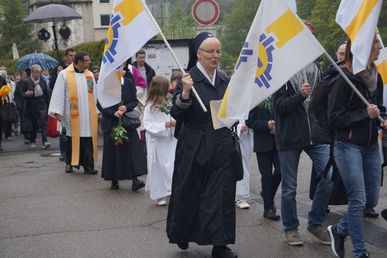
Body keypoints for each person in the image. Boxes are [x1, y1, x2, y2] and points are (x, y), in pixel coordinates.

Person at [166, 32, 238, 258]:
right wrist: (185, 92)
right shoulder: (189, 79)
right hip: (195, 144)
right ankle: (182, 232)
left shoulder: (224, 79)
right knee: (191, 191)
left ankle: (220, 244)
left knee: (222, 193)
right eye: (211, 52)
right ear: (199, 54)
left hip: (221, 142)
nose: (215, 56)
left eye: (218, 51)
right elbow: (177, 113)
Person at [273, 20, 333, 246]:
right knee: (289, 188)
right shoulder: (281, 69)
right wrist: (299, 95)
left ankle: (315, 223)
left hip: (316, 134)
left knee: (327, 177)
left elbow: (322, 104)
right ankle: (290, 228)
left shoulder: (316, 67)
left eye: (310, 36)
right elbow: (278, 107)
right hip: (289, 136)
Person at [327, 37, 385, 258]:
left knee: (371, 200)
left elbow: (379, 107)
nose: (380, 46)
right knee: (358, 200)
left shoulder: (376, 76)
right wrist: (365, 115)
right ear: (365, 47)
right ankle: (360, 252)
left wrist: (382, 118)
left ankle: (340, 230)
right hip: (347, 145)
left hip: (370, 145)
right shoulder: (344, 79)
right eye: (377, 43)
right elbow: (334, 119)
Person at [48, 51, 99, 175]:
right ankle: (69, 163)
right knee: (71, 140)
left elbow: (94, 94)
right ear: (79, 62)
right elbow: (58, 93)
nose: (89, 62)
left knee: (87, 140)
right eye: (87, 60)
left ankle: (88, 166)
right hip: (71, 114)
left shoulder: (90, 75)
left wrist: (97, 111)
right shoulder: (64, 75)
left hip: (87, 114)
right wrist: (57, 112)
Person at [97, 74, 146, 191]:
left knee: (132, 150)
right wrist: (113, 113)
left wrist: (126, 107)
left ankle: (135, 179)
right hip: (111, 121)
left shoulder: (128, 82)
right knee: (113, 152)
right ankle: (114, 179)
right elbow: (100, 104)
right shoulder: (104, 83)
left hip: (127, 121)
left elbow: (134, 101)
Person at [143, 76, 177, 206]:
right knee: (158, 168)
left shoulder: (169, 102)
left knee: (171, 166)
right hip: (157, 141)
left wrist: (174, 124)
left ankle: (172, 190)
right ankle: (159, 194)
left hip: (170, 139)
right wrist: (164, 125)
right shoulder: (150, 106)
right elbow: (147, 125)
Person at [246, 101, 281, 220]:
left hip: (279, 141)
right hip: (263, 142)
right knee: (266, 175)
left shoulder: (277, 91)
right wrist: (267, 125)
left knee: (280, 171)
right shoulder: (257, 96)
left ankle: (267, 194)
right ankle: (268, 208)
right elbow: (249, 121)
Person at [20, 65, 50, 149]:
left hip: (42, 104)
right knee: (34, 125)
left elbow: (47, 94)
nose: (37, 75)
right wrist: (26, 94)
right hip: (31, 105)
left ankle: (45, 141)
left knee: (43, 123)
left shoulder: (43, 81)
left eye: (39, 73)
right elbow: (21, 93)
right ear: (32, 73)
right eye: (35, 73)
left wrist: (49, 106)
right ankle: (32, 140)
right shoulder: (26, 82)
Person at [234, 119, 253, 210]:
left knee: (244, 164)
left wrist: (250, 124)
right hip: (231, 134)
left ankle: (241, 196)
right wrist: (238, 128)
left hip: (246, 136)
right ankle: (238, 196)